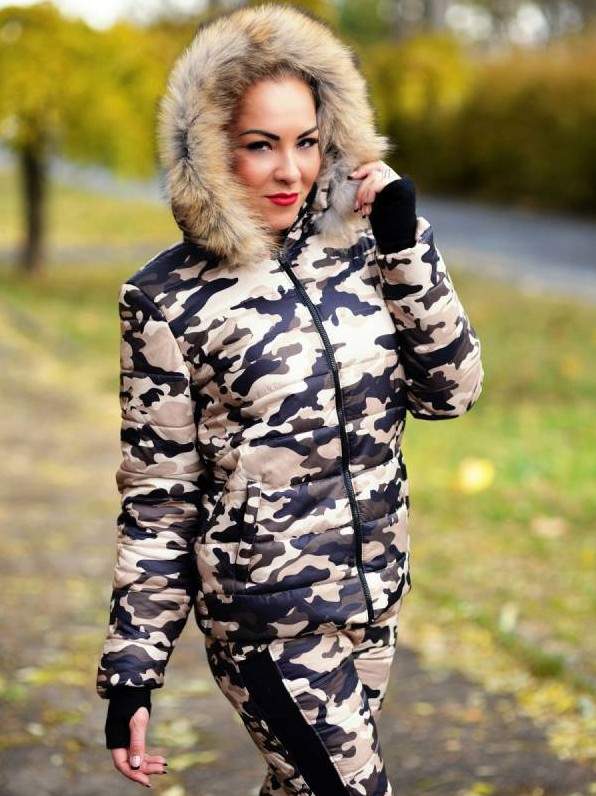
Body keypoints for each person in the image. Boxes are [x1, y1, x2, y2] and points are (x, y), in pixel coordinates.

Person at [96, 4, 484, 793]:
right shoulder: (166, 300)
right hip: (267, 621)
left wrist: (405, 248)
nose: (290, 171)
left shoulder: (369, 249)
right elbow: (161, 498)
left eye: (306, 142)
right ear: (210, 147)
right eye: (260, 145)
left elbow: (451, 393)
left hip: (373, 599)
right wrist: (133, 672)